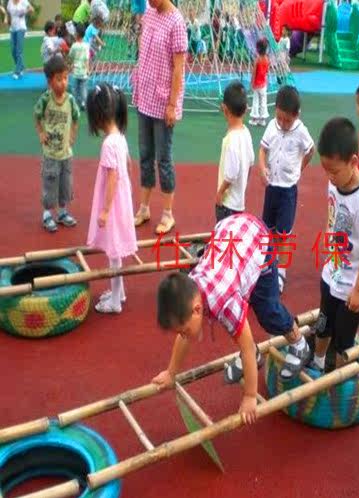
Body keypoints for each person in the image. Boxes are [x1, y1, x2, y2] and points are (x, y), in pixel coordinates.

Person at [152, 213, 311, 424]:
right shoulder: (190, 288)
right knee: (242, 318)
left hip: (258, 242)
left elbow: (247, 346)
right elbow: (184, 337)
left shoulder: (226, 304)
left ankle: (299, 342)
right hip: (232, 237)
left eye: (184, 330)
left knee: (268, 312)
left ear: (197, 310)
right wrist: (171, 373)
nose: (183, 335)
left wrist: (250, 396)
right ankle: (256, 358)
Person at [308, 117, 359, 374]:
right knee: (323, 324)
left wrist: (358, 291)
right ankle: (317, 362)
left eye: (334, 171)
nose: (330, 176)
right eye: (325, 169)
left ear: (353, 162)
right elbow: (332, 216)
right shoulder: (334, 182)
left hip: (353, 286)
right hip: (332, 272)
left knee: (344, 341)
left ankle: (338, 378)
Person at [132, 0, 188, 235]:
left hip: (163, 100)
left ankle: (167, 213)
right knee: (145, 155)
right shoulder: (149, 13)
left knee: (163, 159)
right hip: (145, 96)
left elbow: (178, 68)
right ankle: (144, 208)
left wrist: (172, 105)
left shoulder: (176, 22)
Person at [86, 83, 137, 313]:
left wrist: (106, 210)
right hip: (121, 199)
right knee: (115, 248)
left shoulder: (108, 144)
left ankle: (116, 301)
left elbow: (113, 176)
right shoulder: (120, 137)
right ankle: (120, 292)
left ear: (98, 116)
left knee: (114, 252)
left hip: (113, 202)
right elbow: (128, 163)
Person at [259, 86, 314, 293]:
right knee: (268, 229)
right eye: (279, 118)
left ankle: (281, 271)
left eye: (287, 120)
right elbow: (263, 149)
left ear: (296, 115)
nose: (282, 123)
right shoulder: (272, 126)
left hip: (288, 190)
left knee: (283, 233)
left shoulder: (301, 131)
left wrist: (299, 168)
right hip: (271, 187)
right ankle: (267, 263)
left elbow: (310, 150)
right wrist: (262, 168)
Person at [33, 57, 80, 232]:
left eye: (66, 78)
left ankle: (62, 212)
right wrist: (41, 132)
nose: (63, 82)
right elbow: (37, 115)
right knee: (50, 182)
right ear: (50, 82)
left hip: (66, 153)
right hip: (50, 153)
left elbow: (76, 117)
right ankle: (47, 213)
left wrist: (72, 134)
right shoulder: (46, 99)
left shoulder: (70, 100)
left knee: (65, 184)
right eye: (59, 79)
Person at [215, 81, 254, 223]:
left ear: (224, 108)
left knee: (224, 231)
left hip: (228, 204)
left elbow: (231, 174)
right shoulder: (246, 133)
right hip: (239, 201)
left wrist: (220, 192)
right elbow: (251, 162)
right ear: (246, 109)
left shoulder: (231, 140)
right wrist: (244, 184)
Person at [7, 0, 34, 80]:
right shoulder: (10, 2)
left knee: (19, 51)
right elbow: (8, 13)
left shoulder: (24, 1)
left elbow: (32, 9)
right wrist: (7, 20)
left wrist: (25, 12)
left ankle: (17, 71)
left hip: (21, 28)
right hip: (12, 28)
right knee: (13, 50)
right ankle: (21, 66)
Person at [68, 23, 90, 110]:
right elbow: (87, 59)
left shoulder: (74, 46)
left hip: (76, 71)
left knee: (74, 89)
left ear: (76, 34)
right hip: (84, 71)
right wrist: (88, 69)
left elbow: (70, 57)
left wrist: (70, 64)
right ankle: (84, 103)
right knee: (83, 89)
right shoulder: (86, 46)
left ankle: (75, 103)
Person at [249, 38, 270, 127]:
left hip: (257, 84)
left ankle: (254, 119)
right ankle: (262, 120)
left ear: (258, 49)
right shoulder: (267, 59)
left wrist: (252, 83)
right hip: (263, 84)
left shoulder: (257, 60)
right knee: (263, 101)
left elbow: (254, 73)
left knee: (256, 101)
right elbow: (266, 71)